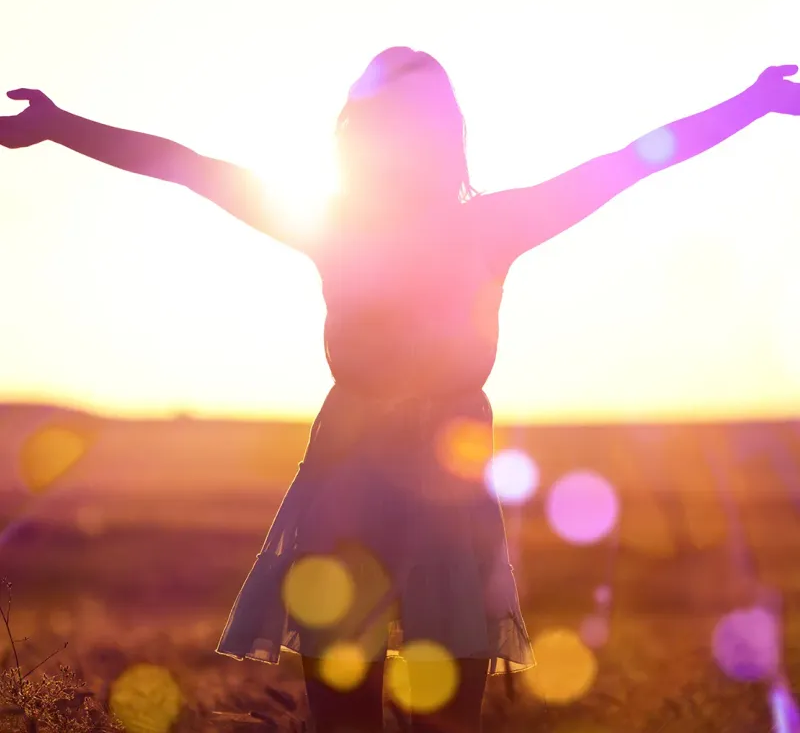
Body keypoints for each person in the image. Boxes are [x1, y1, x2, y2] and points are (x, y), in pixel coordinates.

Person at [1, 49, 798, 732]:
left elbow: (629, 161)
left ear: (444, 136)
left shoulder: (487, 226)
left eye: (421, 123)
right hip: (345, 487)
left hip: (448, 497)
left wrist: (756, 101)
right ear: (364, 136)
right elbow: (189, 167)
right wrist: (59, 124)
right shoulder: (336, 222)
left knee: (447, 714)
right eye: (391, 123)